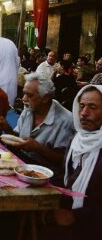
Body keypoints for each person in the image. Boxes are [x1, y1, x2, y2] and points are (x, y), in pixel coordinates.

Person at [39, 85, 102, 240]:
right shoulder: (78, 140)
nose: (84, 113)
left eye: (92, 107)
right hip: (67, 206)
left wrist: (75, 216)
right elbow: (67, 177)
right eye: (81, 106)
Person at [0, 73, 75, 174]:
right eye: (24, 93)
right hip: (21, 164)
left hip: (46, 173)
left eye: (29, 95)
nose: (24, 99)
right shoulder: (30, 108)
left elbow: (65, 161)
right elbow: (19, 139)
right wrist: (7, 127)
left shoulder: (66, 121)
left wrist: (38, 148)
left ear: (45, 98)